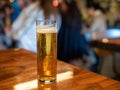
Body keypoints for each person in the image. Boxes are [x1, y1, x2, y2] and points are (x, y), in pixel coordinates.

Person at [57, 0, 89, 66]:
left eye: (62, 4)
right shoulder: (77, 16)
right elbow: (83, 29)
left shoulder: (63, 17)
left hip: (65, 47)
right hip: (77, 46)